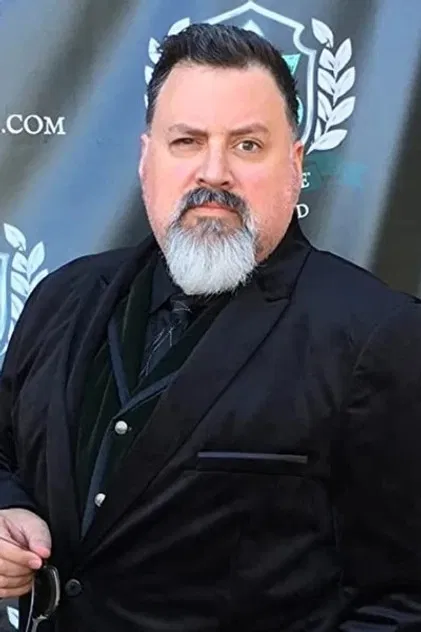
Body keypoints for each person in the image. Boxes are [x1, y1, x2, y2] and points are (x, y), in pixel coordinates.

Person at [0, 22, 420, 632]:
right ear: (147, 158)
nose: (214, 172)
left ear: (295, 164)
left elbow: (405, 601)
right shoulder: (60, 297)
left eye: (247, 145)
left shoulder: (378, 336)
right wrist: (8, 510)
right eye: (187, 141)